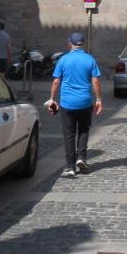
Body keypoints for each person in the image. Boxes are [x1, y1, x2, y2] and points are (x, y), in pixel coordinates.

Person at [48, 32, 103, 178]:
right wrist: (98, 99)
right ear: (82, 44)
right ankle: (81, 158)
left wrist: (52, 99)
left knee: (69, 134)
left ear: (70, 43)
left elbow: (56, 81)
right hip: (85, 102)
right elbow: (95, 81)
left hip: (67, 103)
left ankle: (70, 167)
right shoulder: (90, 59)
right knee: (84, 130)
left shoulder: (63, 59)